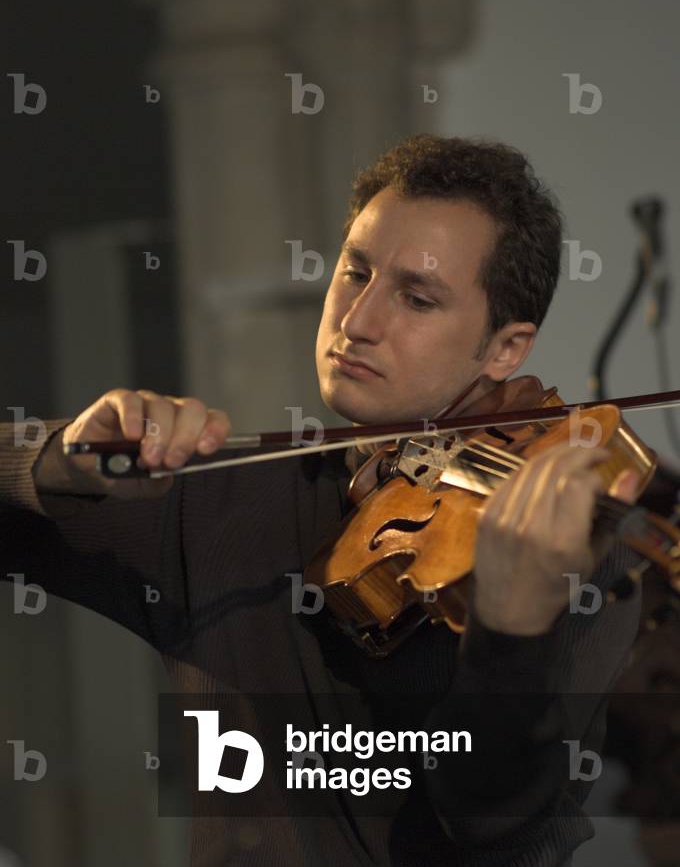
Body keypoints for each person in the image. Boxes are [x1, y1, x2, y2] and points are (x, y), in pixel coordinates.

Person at [0, 134, 641, 866]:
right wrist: (65, 457)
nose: (359, 320)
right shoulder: (209, 502)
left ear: (505, 349)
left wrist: (513, 623)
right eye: (354, 271)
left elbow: (496, 821)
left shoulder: (574, 543)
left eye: (418, 297)